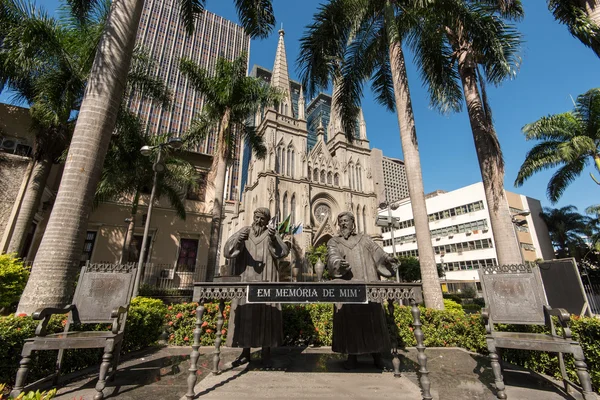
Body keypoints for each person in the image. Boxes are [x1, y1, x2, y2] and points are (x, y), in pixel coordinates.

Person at [326, 211, 398, 369]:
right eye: (341, 221)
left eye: (346, 221)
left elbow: (379, 253)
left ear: (353, 223)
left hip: (368, 286)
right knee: (350, 321)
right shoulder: (334, 241)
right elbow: (332, 256)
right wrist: (338, 263)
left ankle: (377, 355)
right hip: (349, 290)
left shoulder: (365, 239)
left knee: (373, 320)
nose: (343, 224)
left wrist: (388, 258)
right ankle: (351, 356)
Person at [223, 207, 289, 366]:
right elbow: (227, 251)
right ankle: (245, 352)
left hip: (266, 281)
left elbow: (283, 252)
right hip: (246, 281)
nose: (259, 221)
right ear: (253, 217)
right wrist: (239, 239)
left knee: (266, 315)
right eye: (257, 217)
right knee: (245, 316)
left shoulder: (271, 234)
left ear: (267, 221)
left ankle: (266, 353)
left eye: (262, 219)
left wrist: (274, 240)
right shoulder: (244, 232)